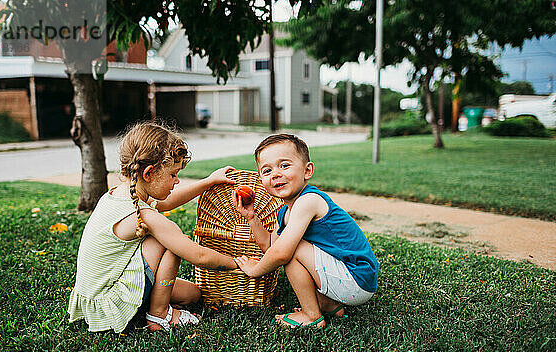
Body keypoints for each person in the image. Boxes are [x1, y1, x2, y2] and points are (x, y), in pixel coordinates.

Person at [68, 121, 240, 333]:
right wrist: (239, 263)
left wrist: (208, 182)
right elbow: (199, 256)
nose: (177, 181)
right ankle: (158, 315)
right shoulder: (144, 216)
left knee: (193, 294)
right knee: (171, 241)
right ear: (148, 174)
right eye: (173, 174)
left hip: (96, 297)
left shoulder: (118, 194)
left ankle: (152, 302)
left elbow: (167, 202)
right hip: (108, 301)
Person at [233, 134, 378, 328]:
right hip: (349, 280)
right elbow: (269, 246)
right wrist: (251, 217)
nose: (275, 173)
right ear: (261, 181)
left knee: (290, 249)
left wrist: (255, 270)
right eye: (267, 170)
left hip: (357, 278)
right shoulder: (285, 211)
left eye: (284, 165)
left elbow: (281, 253)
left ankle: (312, 317)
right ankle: (329, 305)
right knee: (286, 245)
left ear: (307, 170)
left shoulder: (309, 201)